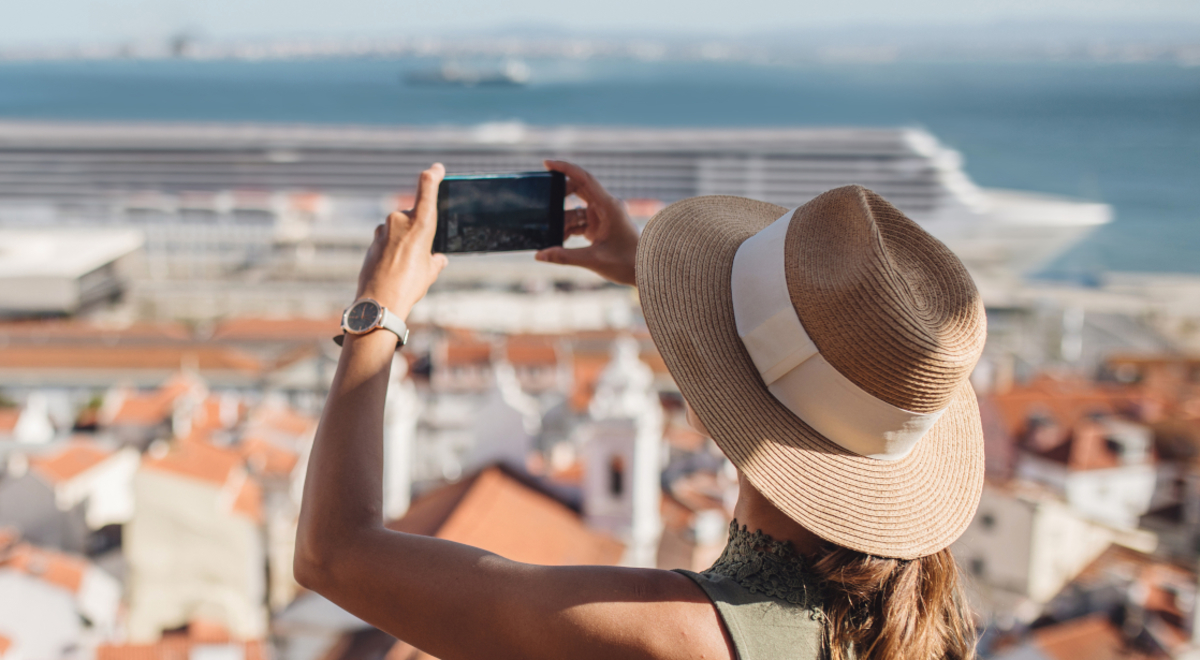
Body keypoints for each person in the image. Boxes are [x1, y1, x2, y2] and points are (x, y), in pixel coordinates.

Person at [295, 160, 985, 660]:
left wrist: (376, 313)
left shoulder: (669, 637)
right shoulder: (923, 622)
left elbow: (333, 556)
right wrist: (647, 270)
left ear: (710, 402)